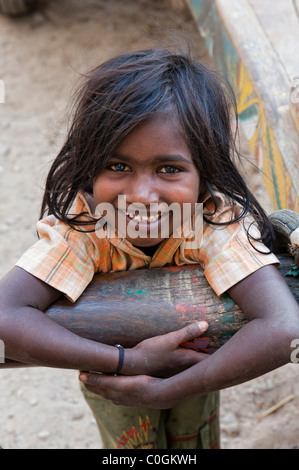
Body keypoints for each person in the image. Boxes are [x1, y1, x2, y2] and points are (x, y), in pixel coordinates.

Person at [0, 48, 298, 450]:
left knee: (195, 440)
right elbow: (4, 315)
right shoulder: (87, 225)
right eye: (118, 167)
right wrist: (128, 363)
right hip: (114, 386)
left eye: (169, 169)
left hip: (196, 378)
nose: (141, 195)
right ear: (89, 169)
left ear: (205, 175)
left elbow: (284, 328)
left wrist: (172, 389)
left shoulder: (211, 220)